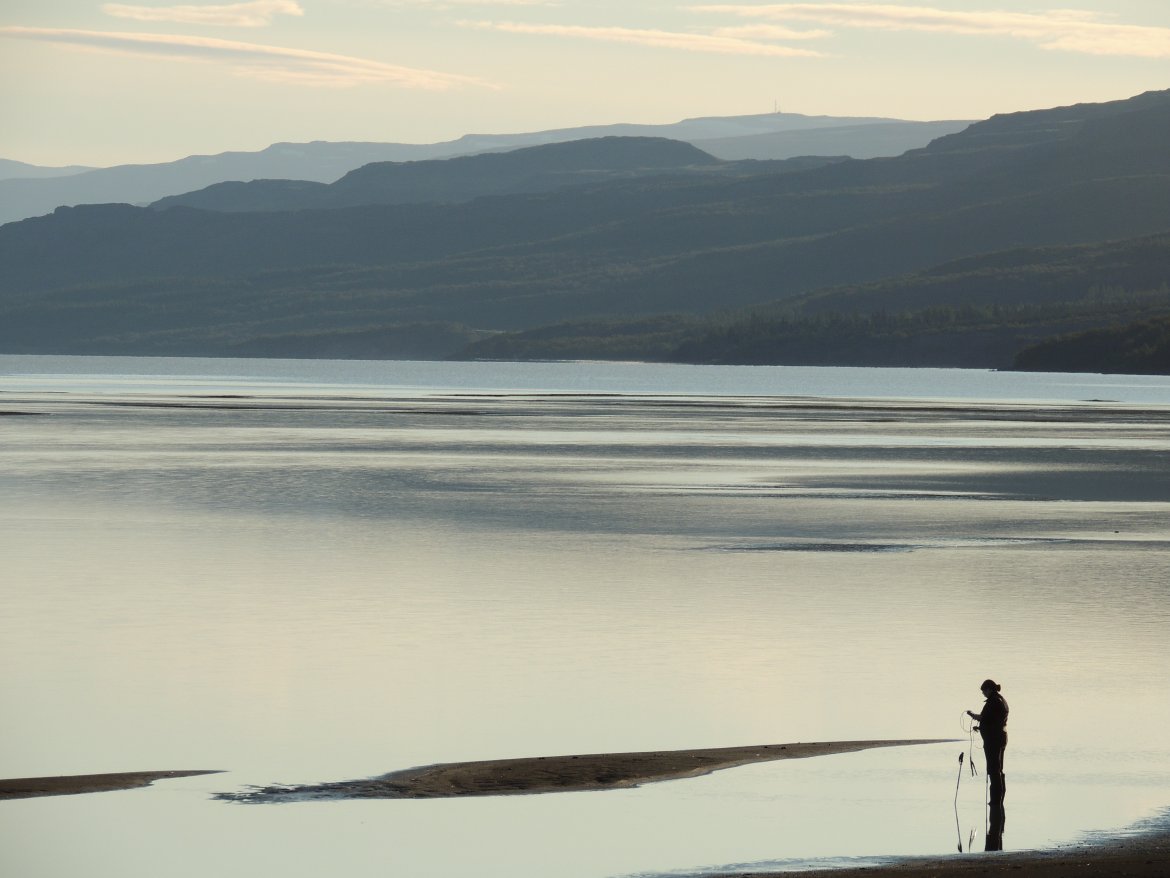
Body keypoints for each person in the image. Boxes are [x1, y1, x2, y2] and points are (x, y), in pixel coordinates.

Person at [967, 679, 1008, 808]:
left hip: (993, 741)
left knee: (993, 770)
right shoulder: (1001, 700)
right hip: (1000, 738)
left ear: (989, 689)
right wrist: (981, 728)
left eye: (983, 691)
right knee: (998, 769)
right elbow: (993, 721)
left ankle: (995, 801)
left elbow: (983, 718)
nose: (983, 694)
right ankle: (999, 801)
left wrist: (971, 715)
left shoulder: (993, 702)